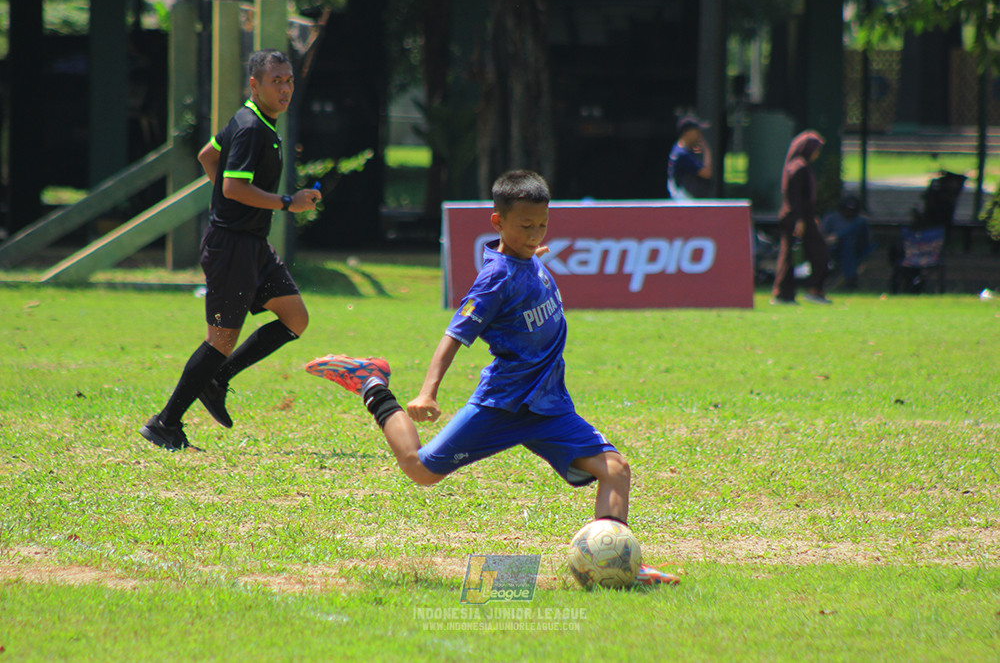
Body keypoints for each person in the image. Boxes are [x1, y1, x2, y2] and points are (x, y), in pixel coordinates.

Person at [306, 170, 678, 588]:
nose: (535, 235)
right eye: (526, 226)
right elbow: (453, 335)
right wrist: (427, 392)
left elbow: (526, 260)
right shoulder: (495, 279)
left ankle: (620, 565)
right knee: (420, 470)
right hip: (502, 404)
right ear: (498, 222)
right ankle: (371, 382)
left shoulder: (527, 258)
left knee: (615, 468)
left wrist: (532, 253)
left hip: (548, 406)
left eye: (542, 225)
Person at [140, 49, 322, 451]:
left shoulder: (251, 119)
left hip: (253, 245)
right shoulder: (252, 128)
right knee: (220, 340)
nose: (285, 89)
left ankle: (218, 379)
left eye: (289, 80)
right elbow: (233, 186)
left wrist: (233, 205)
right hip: (232, 248)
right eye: (276, 81)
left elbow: (208, 156)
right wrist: (286, 202)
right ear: (254, 84)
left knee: (295, 318)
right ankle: (165, 423)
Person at [771, 130, 831, 305]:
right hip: (798, 218)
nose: (817, 154)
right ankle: (811, 290)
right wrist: (800, 220)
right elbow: (796, 196)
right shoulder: (799, 167)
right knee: (819, 253)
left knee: (789, 255)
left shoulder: (795, 165)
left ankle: (785, 293)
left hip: (798, 217)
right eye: (816, 150)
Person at [822, 195, 872, 290]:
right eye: (847, 209)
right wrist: (830, 240)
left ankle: (850, 278)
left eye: (852, 210)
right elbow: (824, 235)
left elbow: (866, 239)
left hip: (856, 249)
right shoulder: (831, 218)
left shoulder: (859, 221)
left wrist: (838, 237)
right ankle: (850, 277)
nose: (849, 212)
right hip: (834, 249)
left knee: (848, 242)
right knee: (845, 244)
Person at [667, 115, 712, 200]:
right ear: (687, 132)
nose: (699, 135)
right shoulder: (683, 154)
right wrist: (706, 150)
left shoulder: (677, 148)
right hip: (683, 199)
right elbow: (707, 173)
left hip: (679, 197)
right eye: (697, 131)